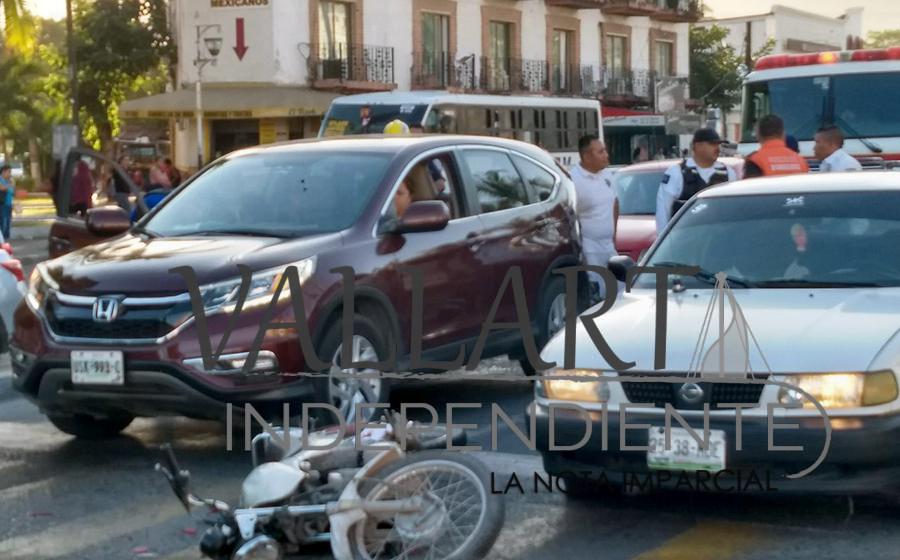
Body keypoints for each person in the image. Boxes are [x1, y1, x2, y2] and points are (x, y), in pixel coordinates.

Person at [656, 129, 737, 233]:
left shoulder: (728, 173)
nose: (717, 148)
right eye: (712, 144)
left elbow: (733, 209)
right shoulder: (677, 173)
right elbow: (663, 210)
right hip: (686, 238)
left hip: (718, 238)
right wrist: (665, 240)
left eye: (718, 144)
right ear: (698, 146)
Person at [570, 135, 618, 298]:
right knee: (596, 293)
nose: (606, 155)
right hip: (590, 248)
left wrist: (614, 235)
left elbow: (614, 203)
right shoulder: (574, 180)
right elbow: (570, 215)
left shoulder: (607, 175)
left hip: (609, 245)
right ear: (587, 156)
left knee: (621, 290)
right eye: (601, 152)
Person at [743, 115, 809, 178]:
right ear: (783, 134)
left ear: (758, 135)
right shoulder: (801, 161)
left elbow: (750, 188)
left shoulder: (755, 161)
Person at [0, 165, 13, 239]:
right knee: (3, 221)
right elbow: (2, 188)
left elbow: (11, 191)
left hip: (9, 203)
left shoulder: (8, 180)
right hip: (2, 204)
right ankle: (2, 238)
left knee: (8, 221)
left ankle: (6, 237)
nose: (10, 174)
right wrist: (10, 185)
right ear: (4, 172)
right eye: (9, 172)